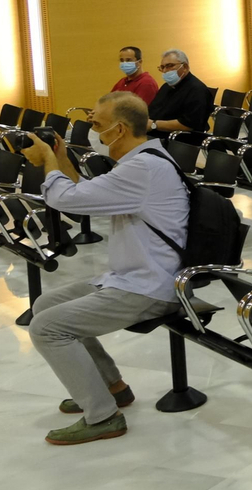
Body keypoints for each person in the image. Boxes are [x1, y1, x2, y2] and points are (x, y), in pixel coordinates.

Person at [18, 92, 190, 445]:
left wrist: (48, 160)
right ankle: (113, 386)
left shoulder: (143, 168)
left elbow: (64, 198)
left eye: (96, 124)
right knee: (45, 305)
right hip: (133, 277)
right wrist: (62, 160)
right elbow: (84, 195)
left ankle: (102, 415)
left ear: (119, 129)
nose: (91, 130)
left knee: (46, 328)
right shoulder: (141, 161)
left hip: (150, 286)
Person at [147, 50, 213, 135]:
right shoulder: (166, 86)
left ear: (185, 67)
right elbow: (152, 110)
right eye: (162, 67)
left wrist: (154, 124)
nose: (165, 71)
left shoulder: (197, 90)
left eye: (169, 66)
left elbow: (188, 125)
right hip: (154, 133)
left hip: (178, 139)